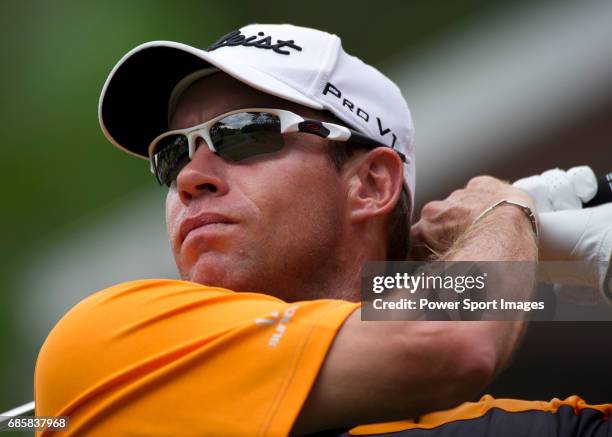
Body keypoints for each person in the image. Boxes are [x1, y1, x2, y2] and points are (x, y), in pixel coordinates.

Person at [34, 24, 610, 436]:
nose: (190, 177)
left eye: (242, 132)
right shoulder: (111, 343)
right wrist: (505, 209)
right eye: (172, 154)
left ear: (371, 185)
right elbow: (452, 341)